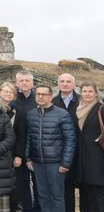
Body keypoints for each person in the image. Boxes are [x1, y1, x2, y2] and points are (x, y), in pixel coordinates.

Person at [25, 84, 76, 212]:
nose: (40, 97)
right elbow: (29, 137)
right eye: (38, 94)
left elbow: (70, 140)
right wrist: (27, 158)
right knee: (42, 196)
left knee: (57, 196)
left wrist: (65, 163)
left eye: (44, 94)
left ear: (51, 96)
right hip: (37, 163)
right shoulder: (31, 114)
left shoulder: (62, 114)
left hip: (56, 164)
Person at [51, 73, 81, 212]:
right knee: (60, 187)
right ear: (58, 84)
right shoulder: (52, 101)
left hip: (81, 150)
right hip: (58, 151)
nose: (65, 84)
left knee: (80, 187)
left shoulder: (82, 100)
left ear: (74, 84)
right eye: (62, 81)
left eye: (68, 81)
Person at [11, 70, 40, 212]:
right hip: (17, 150)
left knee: (39, 184)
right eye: (21, 80)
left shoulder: (38, 99)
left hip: (36, 149)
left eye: (27, 80)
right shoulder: (12, 101)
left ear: (32, 83)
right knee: (21, 184)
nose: (24, 83)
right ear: (16, 83)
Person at [74, 82, 104, 211]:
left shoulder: (101, 108)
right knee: (85, 195)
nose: (87, 94)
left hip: (98, 159)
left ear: (96, 93)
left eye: (90, 91)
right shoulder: (78, 109)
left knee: (98, 194)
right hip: (82, 160)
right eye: (84, 91)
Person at [0, 81, 18, 212]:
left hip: (10, 151)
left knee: (10, 184)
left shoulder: (15, 111)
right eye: (5, 91)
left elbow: (20, 133)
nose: (8, 94)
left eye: (11, 92)